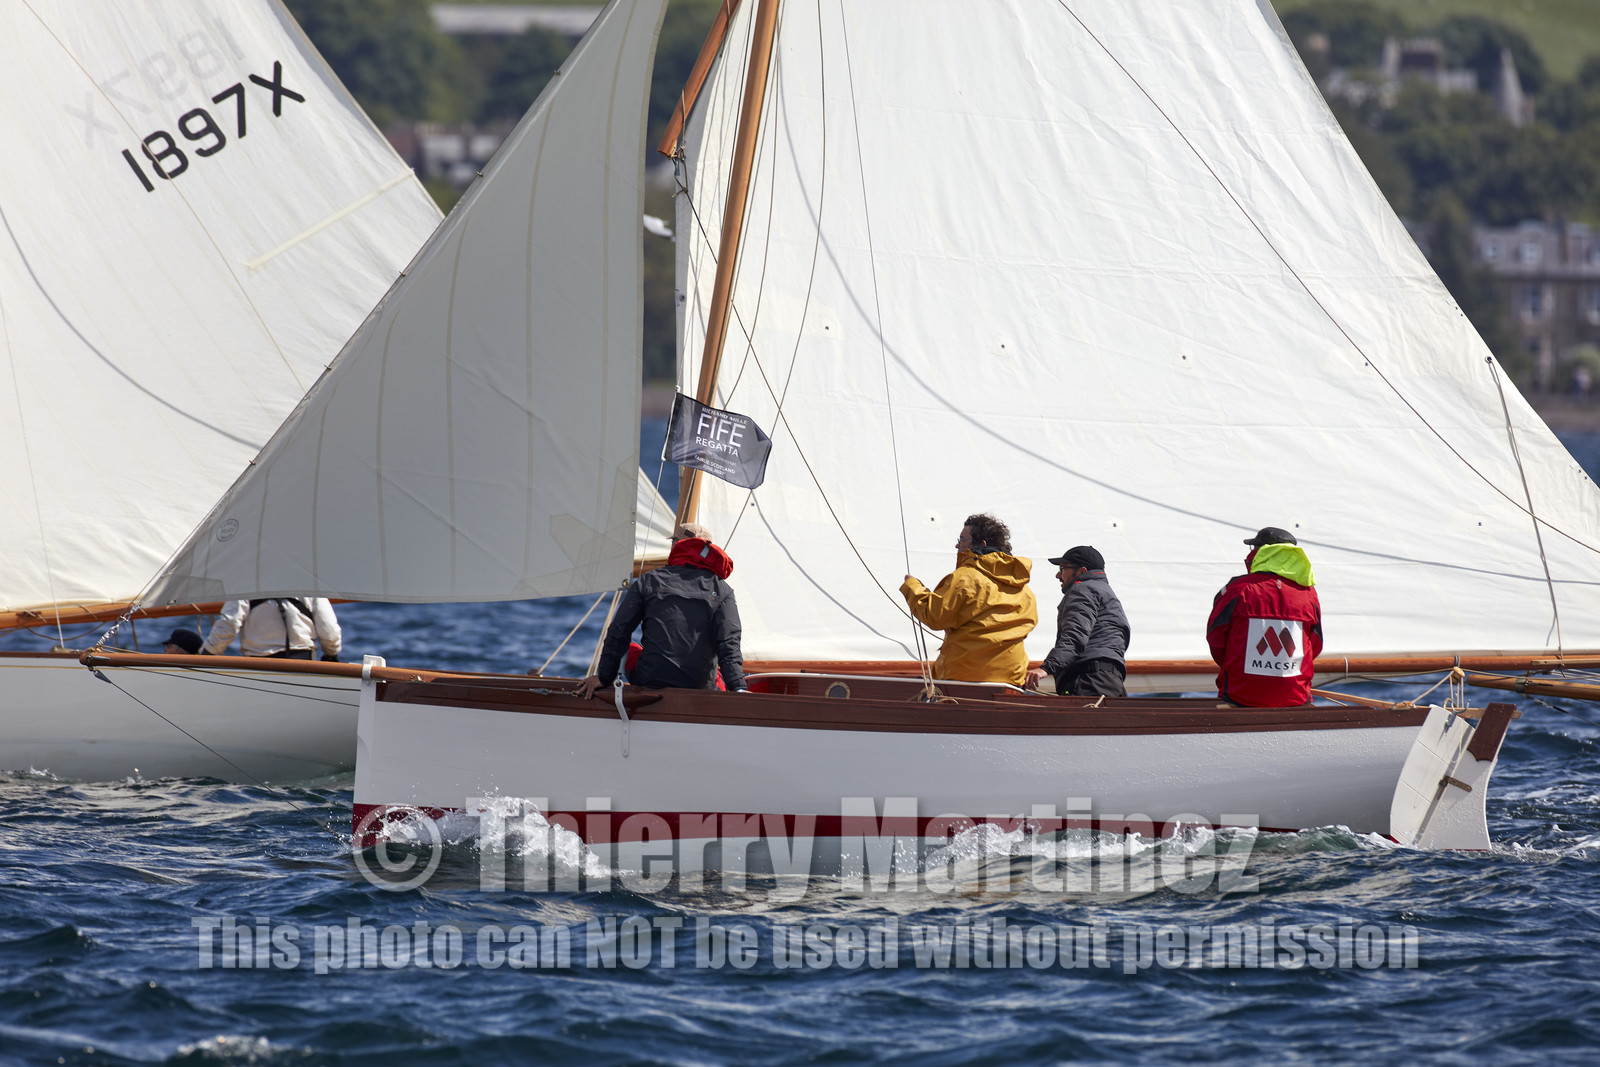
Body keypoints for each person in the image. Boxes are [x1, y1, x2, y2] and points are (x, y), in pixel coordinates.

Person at [577, 523, 746, 698]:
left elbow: (619, 630)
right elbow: (729, 643)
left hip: (651, 680)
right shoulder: (723, 590)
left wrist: (604, 678)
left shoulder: (648, 581)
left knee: (631, 649)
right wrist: (738, 687)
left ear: (676, 545)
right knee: (715, 674)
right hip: (699, 685)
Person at [901, 513, 1037, 686]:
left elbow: (934, 617)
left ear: (981, 544)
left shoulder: (965, 578)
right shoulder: (1023, 588)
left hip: (965, 676)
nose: (957, 544)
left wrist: (912, 587)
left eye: (962, 539)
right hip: (1011, 678)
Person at [1206, 527, 1322, 707]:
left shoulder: (1237, 590)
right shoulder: (1308, 594)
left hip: (1241, 697)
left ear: (1263, 553)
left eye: (1254, 549)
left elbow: (1216, 639)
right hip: (1296, 698)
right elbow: (1316, 642)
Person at [1026, 545, 1129, 697]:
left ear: (1082, 571)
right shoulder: (1106, 593)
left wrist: (1046, 668)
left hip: (1088, 681)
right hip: (1110, 681)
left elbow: (1075, 634)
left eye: (1062, 569)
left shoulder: (1083, 589)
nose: (1057, 575)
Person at [201, 598, 342, 660]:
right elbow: (329, 630)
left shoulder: (247, 583)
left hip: (258, 668)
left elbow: (228, 625)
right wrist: (331, 655)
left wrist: (206, 654)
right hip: (303, 665)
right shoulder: (309, 585)